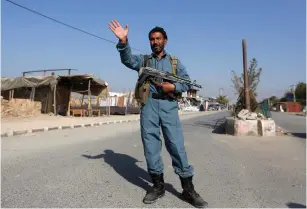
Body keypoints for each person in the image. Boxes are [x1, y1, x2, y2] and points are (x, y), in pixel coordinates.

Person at [108, 20, 208, 208]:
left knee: (177, 147)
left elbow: (187, 82)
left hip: (169, 106)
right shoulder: (144, 60)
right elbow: (128, 60)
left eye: (158, 38)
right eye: (152, 39)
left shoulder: (174, 62)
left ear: (165, 41)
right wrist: (123, 41)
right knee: (151, 147)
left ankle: (188, 190)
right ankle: (158, 186)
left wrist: (173, 86)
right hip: (149, 106)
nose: (155, 42)